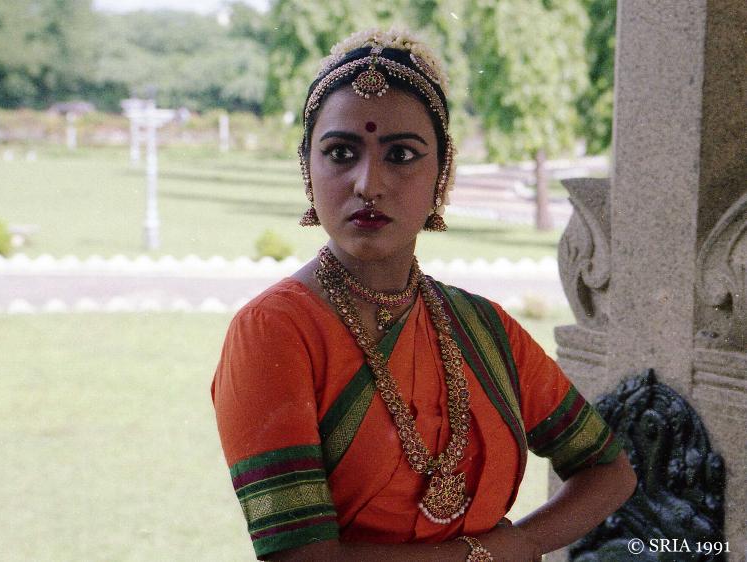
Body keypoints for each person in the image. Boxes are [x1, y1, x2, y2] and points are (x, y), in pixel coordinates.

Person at [212, 28, 636, 562]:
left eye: (401, 154)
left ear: (443, 172)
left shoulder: (484, 328)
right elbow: (302, 558)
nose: (368, 183)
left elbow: (609, 471)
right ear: (307, 168)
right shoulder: (274, 331)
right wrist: (485, 555)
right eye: (341, 152)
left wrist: (525, 541)